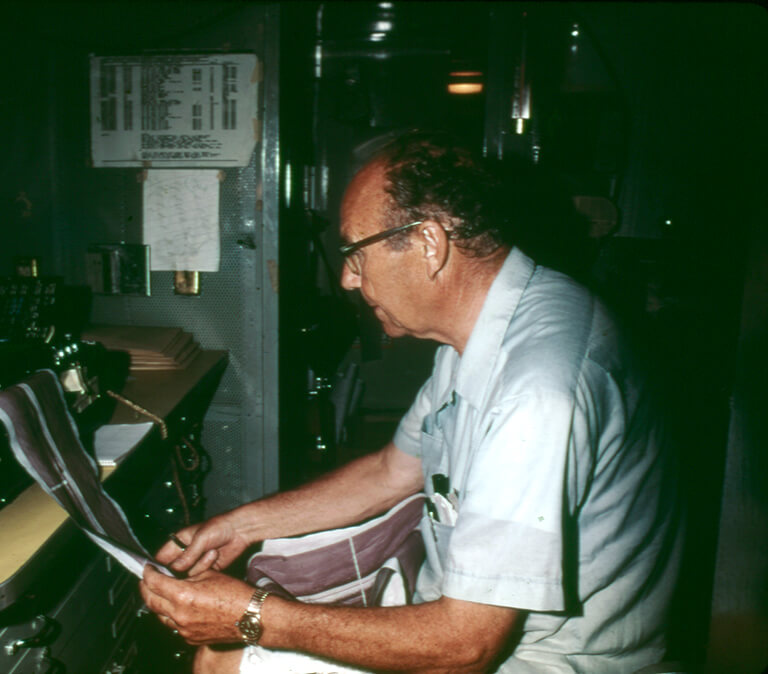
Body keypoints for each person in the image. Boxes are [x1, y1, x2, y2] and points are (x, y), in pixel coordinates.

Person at [140, 130, 683, 673]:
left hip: (545, 662)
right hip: (463, 619)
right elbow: (390, 472)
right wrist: (240, 526)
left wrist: (256, 616)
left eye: (355, 252)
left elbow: (468, 647)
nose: (349, 280)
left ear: (429, 243)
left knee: (224, 659)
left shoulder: (538, 391)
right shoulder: (492, 325)